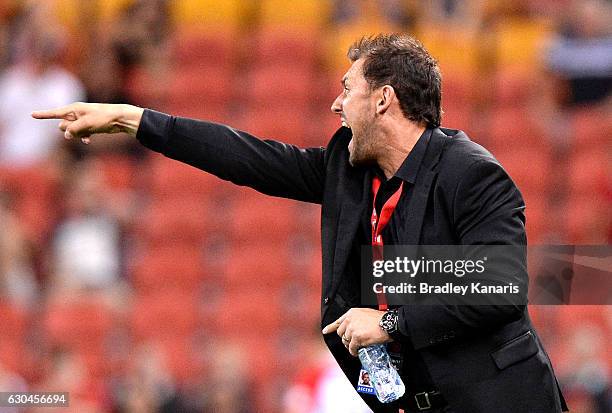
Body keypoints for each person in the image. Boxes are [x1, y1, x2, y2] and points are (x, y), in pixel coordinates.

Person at [32, 34, 568, 413]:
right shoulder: (351, 170)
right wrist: (135, 119)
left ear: (384, 100)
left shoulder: (471, 173)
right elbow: (250, 158)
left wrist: (388, 323)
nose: (336, 103)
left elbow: (501, 282)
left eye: (347, 88)